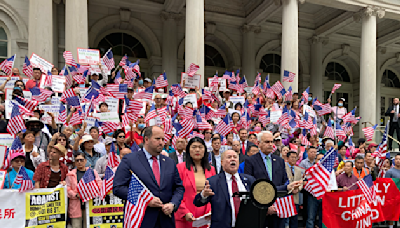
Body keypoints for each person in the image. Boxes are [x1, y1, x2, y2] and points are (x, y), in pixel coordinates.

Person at [113, 126, 184, 228]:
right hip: (141, 220)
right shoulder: (130, 160)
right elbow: (118, 188)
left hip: (166, 221)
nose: (161, 142)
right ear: (146, 139)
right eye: (157, 139)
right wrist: (145, 200)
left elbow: (179, 188)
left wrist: (173, 204)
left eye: (163, 139)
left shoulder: (169, 162)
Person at [244, 131, 300, 228]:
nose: (270, 144)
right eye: (267, 142)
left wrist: (289, 188)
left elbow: (285, 181)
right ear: (258, 144)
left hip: (279, 207)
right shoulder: (250, 161)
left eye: (272, 142)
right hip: (260, 209)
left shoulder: (279, 161)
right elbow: (250, 185)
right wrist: (266, 206)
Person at [193, 150, 256, 228]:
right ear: (222, 162)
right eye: (229, 157)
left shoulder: (249, 180)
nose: (232, 159)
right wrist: (203, 195)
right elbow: (197, 202)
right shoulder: (213, 182)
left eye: (235, 157)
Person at [175, 137, 216, 228]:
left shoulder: (211, 169)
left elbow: (213, 193)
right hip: (185, 216)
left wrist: (210, 210)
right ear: (188, 150)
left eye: (200, 147)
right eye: (194, 147)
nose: (197, 150)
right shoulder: (180, 168)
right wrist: (184, 212)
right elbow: (176, 193)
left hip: (205, 217)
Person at [66, 152, 102, 228]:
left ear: (85, 161)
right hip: (76, 205)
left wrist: (92, 192)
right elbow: (67, 189)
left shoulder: (92, 172)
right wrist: (75, 194)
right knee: (76, 226)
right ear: (75, 162)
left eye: (81, 160)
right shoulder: (70, 174)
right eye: (77, 160)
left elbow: (99, 183)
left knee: (88, 226)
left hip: (90, 204)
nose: (79, 162)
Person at [285, 151, 303, 228]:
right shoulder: (283, 167)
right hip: (286, 197)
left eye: (295, 157)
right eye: (292, 157)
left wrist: (298, 189)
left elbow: (301, 182)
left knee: (294, 220)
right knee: (286, 220)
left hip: (295, 198)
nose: (293, 159)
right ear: (287, 158)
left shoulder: (298, 170)